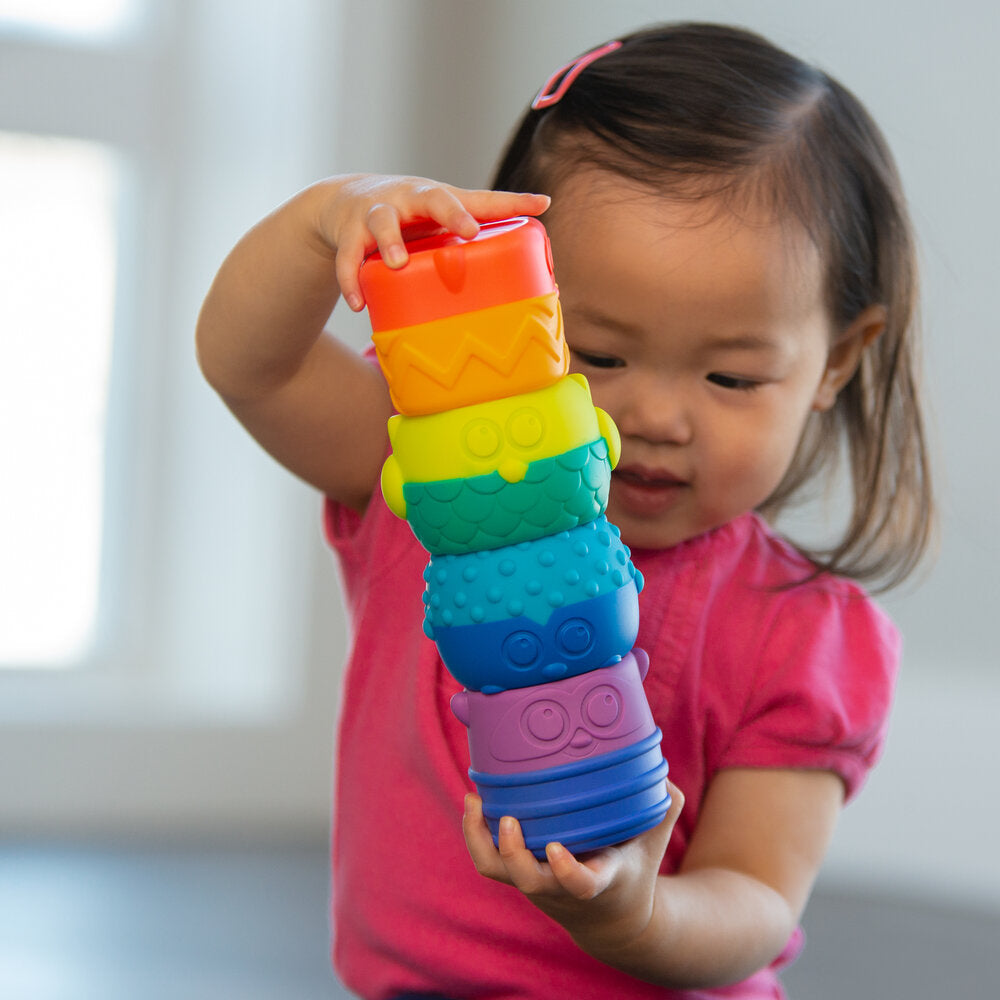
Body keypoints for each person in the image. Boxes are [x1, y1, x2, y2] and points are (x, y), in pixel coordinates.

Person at [196, 22, 934, 1000]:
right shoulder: (426, 462)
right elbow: (249, 364)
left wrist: (635, 912)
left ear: (835, 361)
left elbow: (756, 901)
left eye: (729, 374)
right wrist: (324, 218)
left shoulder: (801, 633)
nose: (654, 415)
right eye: (594, 352)